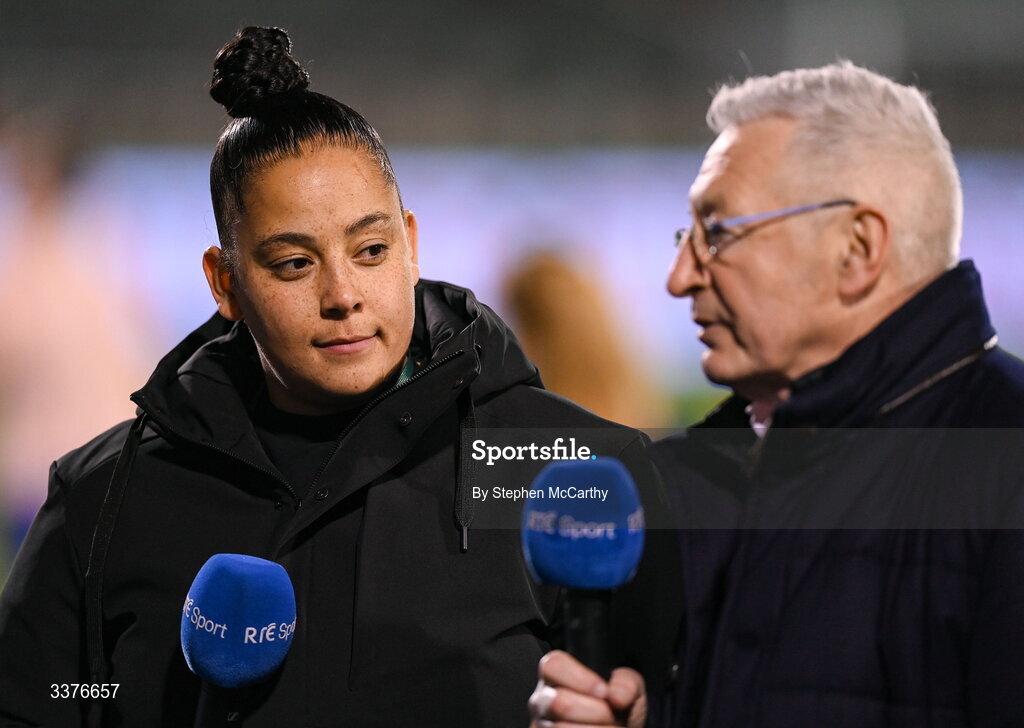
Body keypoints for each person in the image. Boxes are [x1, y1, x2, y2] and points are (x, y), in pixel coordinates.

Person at [0, 27, 669, 727]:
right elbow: (47, 702)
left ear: (410, 244)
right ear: (224, 283)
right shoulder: (101, 498)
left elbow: (689, 693)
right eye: (294, 263)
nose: (343, 293)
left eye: (372, 249)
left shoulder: (581, 470)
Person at [529, 61, 1024, 727]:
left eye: (720, 232)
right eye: (688, 236)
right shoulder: (681, 484)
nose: (679, 278)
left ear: (857, 248)